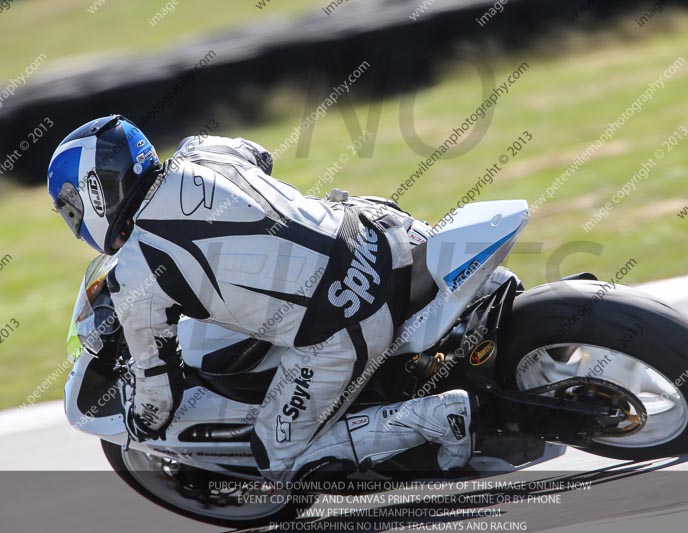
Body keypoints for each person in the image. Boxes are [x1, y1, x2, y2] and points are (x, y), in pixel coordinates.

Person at [47, 115, 518, 482]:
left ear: (94, 190)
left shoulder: (137, 274)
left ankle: (437, 417)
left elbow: (158, 389)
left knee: (276, 458)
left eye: (72, 209)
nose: (76, 222)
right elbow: (260, 156)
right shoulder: (202, 151)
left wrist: (143, 425)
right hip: (379, 236)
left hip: (345, 322)